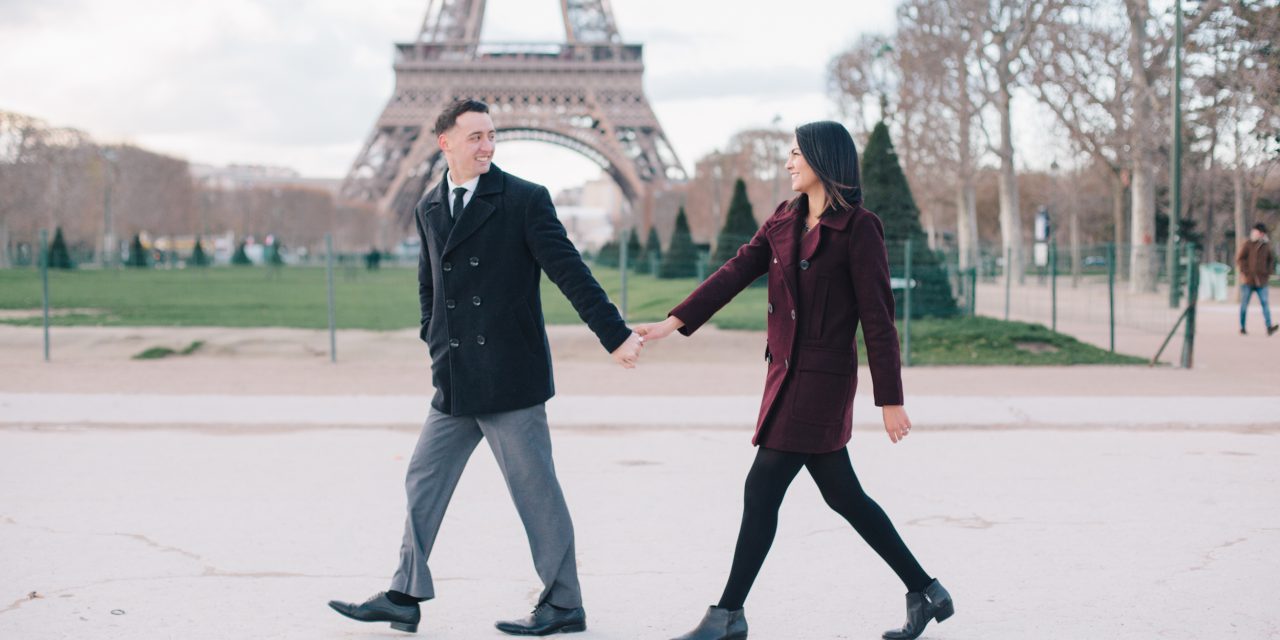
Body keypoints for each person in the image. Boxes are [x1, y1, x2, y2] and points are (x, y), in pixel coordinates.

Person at [328, 99, 644, 636]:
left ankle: (564, 604)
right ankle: (405, 594)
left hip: (510, 377)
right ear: (444, 142)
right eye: (475, 136)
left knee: (534, 490)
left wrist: (613, 334)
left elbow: (569, 270)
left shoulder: (523, 199)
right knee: (423, 477)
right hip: (456, 376)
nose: (487, 145)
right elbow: (429, 288)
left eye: (491, 136)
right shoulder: (429, 205)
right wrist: (435, 342)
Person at [637, 121, 952, 640]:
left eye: (796, 155)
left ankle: (727, 616)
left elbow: (878, 317)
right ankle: (925, 591)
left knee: (762, 486)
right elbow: (737, 270)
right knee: (844, 496)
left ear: (822, 160)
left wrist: (890, 399)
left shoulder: (859, 228)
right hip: (784, 375)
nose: (788, 164)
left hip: (822, 382)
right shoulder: (784, 219)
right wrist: (675, 321)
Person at [1236, 222, 1277, 336]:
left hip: (1262, 280)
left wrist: (1267, 272)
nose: (1254, 233)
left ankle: (1269, 327)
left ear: (1261, 233)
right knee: (1244, 305)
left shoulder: (1266, 246)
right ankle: (1242, 327)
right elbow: (1240, 259)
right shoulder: (1248, 244)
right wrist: (1246, 271)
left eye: (1256, 231)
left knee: (1265, 303)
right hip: (1248, 280)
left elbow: (1271, 260)